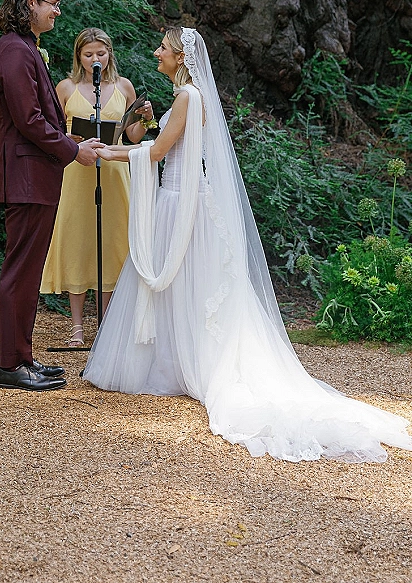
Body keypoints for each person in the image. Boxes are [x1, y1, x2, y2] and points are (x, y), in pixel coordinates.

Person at [82, 26, 412, 462]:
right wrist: (136, 130)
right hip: (179, 198)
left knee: (181, 282)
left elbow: (159, 153)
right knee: (183, 286)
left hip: (182, 202)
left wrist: (108, 153)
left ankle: (175, 363)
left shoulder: (187, 98)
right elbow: (156, 144)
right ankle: (172, 359)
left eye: (162, 48)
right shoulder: (188, 97)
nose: (155, 53)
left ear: (181, 58)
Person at [0, 0, 102, 391]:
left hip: (34, 173)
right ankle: (10, 365)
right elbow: (29, 120)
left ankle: (23, 357)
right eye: (52, 3)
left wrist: (70, 140)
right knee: (20, 271)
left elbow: (37, 120)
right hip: (26, 174)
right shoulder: (16, 51)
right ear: (30, 3)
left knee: (29, 270)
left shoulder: (23, 46)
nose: (58, 10)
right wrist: (74, 150)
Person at [40, 28, 156, 346]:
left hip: (114, 173)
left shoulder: (123, 87)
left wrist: (146, 118)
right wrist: (71, 141)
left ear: (110, 54)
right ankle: (77, 329)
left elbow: (132, 136)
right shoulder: (66, 88)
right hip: (78, 172)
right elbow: (49, 130)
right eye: (88, 54)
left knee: (112, 244)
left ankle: (105, 325)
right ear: (79, 56)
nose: (95, 59)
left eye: (101, 54)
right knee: (78, 243)